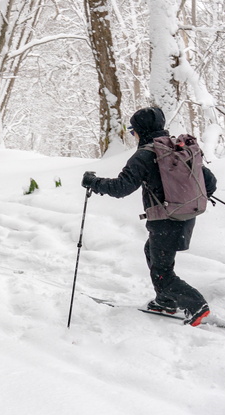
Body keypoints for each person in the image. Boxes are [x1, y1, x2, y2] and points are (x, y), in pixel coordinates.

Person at [82, 106, 216, 326]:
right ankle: (165, 301)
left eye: (132, 129)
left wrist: (93, 183)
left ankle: (195, 304)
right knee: (152, 253)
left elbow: (120, 188)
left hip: (164, 219)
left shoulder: (145, 155)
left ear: (140, 130)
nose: (132, 134)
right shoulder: (179, 149)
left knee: (161, 272)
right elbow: (210, 182)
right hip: (186, 216)